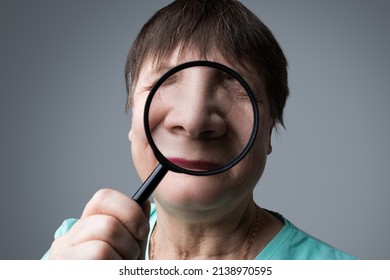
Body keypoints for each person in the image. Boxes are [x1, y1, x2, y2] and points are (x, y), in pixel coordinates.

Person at [43, 0, 356, 260]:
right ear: (132, 118)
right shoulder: (74, 249)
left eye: (234, 85)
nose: (193, 121)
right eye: (163, 83)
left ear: (270, 129)